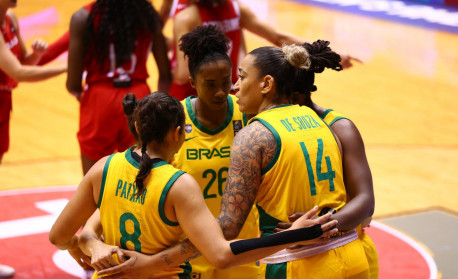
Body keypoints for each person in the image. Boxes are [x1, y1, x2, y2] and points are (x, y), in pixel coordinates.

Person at [86, 42, 371, 279]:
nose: (234, 87)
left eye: (242, 77)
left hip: (295, 262)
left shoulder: (252, 135)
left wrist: (153, 262)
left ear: (266, 84)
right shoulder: (322, 122)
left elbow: (223, 235)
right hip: (351, 256)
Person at [48, 91, 338, 278]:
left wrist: (83, 245)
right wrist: (292, 235)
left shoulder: (104, 168)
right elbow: (221, 256)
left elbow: (58, 236)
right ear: (178, 133)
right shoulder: (178, 185)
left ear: (137, 128)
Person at [278, 40, 378, 278]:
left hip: (343, 248)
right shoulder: (268, 126)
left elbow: (366, 201)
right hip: (294, 257)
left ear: (295, 95)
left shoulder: (340, 128)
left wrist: (320, 226)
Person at [169, 0, 361, 100]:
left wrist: (329, 55)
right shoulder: (234, 9)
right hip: (201, 92)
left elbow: (180, 74)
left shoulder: (191, 16)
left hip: (217, 88)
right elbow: (279, 37)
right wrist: (331, 56)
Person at [66, 0, 172, 175]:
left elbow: (73, 83)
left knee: (94, 183)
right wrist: (159, 105)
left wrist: (79, 94)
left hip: (99, 100)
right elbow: (165, 74)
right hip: (138, 98)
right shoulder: (147, 14)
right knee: (138, 179)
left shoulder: (82, 17)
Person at [0, 0, 66, 164]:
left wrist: (36, 54)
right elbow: (19, 73)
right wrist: (68, 68)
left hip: (4, 100)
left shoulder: (10, 18)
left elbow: (22, 63)